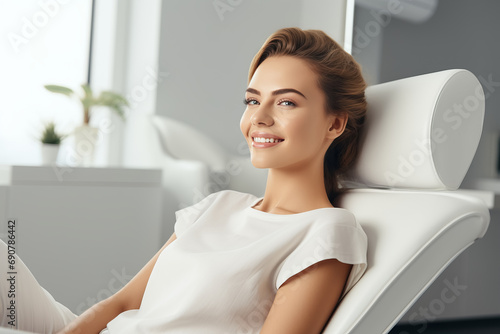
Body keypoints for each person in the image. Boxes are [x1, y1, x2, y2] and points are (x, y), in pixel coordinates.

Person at [0, 27, 368, 334]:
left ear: (334, 123)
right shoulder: (217, 204)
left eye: (286, 102)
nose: (260, 117)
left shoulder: (325, 231)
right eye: (252, 101)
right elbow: (121, 303)